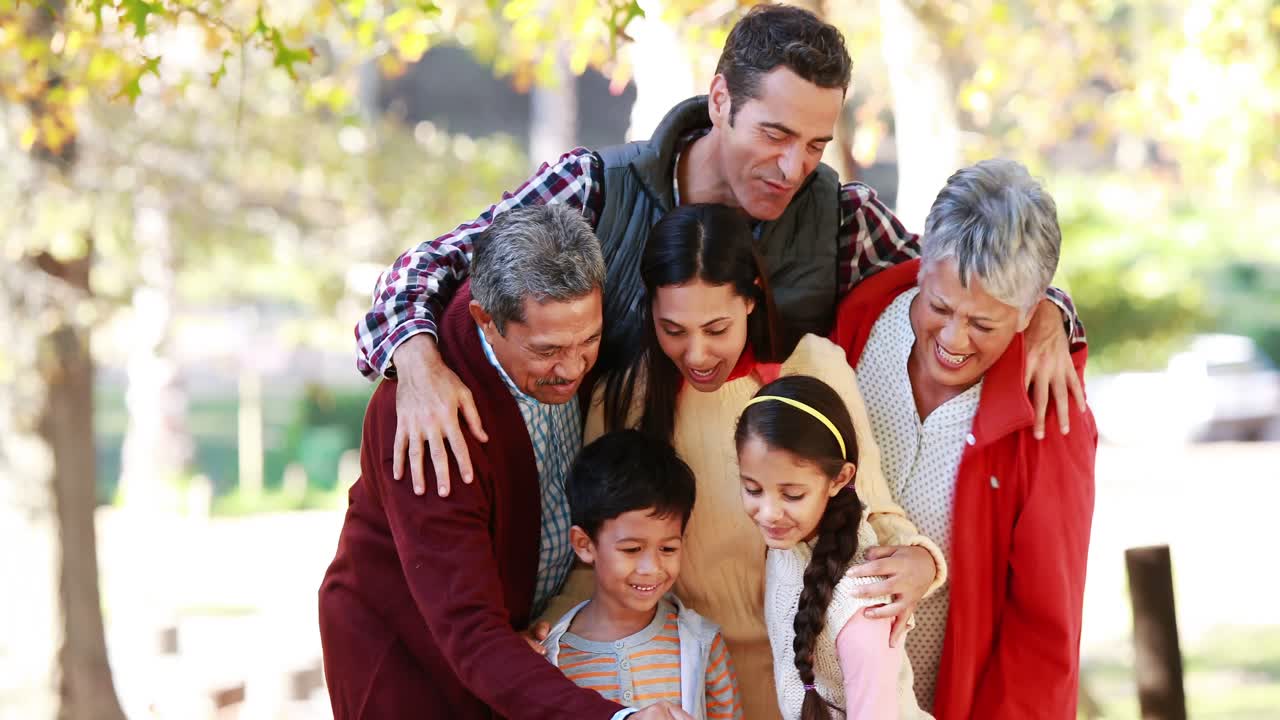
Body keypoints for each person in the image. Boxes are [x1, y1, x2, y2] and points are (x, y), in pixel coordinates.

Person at [354, 4, 1086, 498]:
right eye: (773, 133)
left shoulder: (843, 220)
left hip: (760, 572)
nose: (794, 166)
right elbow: (427, 267)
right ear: (720, 101)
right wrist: (415, 359)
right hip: (591, 554)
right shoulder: (592, 189)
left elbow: (965, 274)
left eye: (815, 144)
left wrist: (1048, 309)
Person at [538, 203, 945, 720]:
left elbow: (874, 510)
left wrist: (921, 562)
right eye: (674, 329)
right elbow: (599, 555)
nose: (698, 353)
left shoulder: (808, 374)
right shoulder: (622, 401)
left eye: (716, 328)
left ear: (751, 298)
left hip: (809, 684)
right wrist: (542, 633)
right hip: (688, 683)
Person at [318, 205, 692, 720]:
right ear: (485, 320)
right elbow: (468, 629)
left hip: (506, 653)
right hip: (408, 663)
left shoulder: (567, 349)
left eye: (589, 341)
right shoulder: (426, 420)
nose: (572, 368)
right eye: (548, 350)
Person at [829, 159, 1098, 718]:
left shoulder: (1050, 419)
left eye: (983, 325)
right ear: (921, 265)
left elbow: (1043, 637)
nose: (952, 339)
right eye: (939, 306)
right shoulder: (855, 327)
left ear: (1030, 314)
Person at [736, 376, 930, 720]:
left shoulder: (861, 603)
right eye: (752, 489)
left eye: (792, 495)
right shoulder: (790, 542)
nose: (768, 513)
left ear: (839, 479)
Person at [542, 430, 743, 720]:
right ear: (584, 545)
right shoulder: (550, 659)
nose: (652, 568)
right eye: (632, 549)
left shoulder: (701, 644)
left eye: (668, 548)